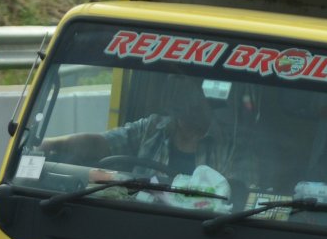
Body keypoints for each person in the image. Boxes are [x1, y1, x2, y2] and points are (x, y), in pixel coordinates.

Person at [38, 75, 236, 180]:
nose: (178, 98)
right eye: (175, 90)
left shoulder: (231, 145)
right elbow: (102, 143)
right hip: (139, 217)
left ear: (205, 99)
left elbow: (237, 197)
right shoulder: (152, 127)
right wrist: (53, 143)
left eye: (186, 91)